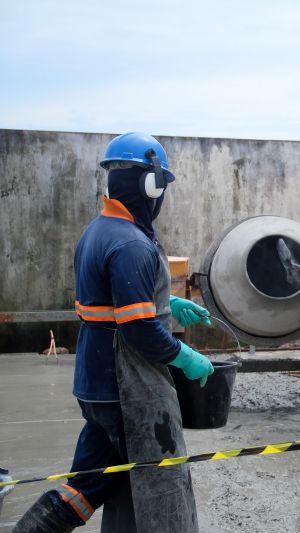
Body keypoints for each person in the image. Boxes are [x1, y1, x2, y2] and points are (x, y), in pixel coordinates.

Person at [14, 132, 214, 533]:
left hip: (95, 382)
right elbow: (138, 328)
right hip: (125, 389)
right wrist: (185, 356)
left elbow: (110, 303)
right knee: (160, 483)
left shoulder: (99, 231)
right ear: (150, 185)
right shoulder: (131, 244)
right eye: (161, 187)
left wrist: (168, 305)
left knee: (91, 482)